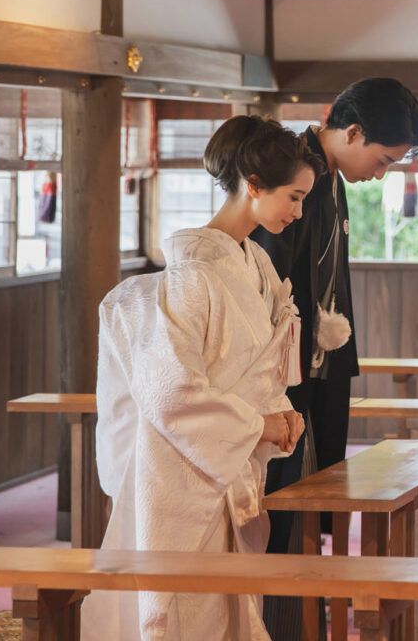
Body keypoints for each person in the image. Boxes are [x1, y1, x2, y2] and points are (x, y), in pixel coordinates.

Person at [87, 115, 320, 640]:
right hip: (183, 466)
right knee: (186, 609)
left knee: (230, 602)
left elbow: (259, 367)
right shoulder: (191, 279)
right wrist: (258, 424)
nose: (298, 211)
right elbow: (171, 392)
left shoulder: (254, 261)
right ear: (254, 185)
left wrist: (278, 414)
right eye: (293, 196)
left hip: (232, 460)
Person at [253, 78, 418, 639]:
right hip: (283, 374)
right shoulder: (294, 173)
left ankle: (303, 622)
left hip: (317, 367)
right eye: (381, 158)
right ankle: (280, 626)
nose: (381, 172)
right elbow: (269, 286)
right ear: (352, 132)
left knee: (310, 501)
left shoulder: (332, 179)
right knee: (280, 509)